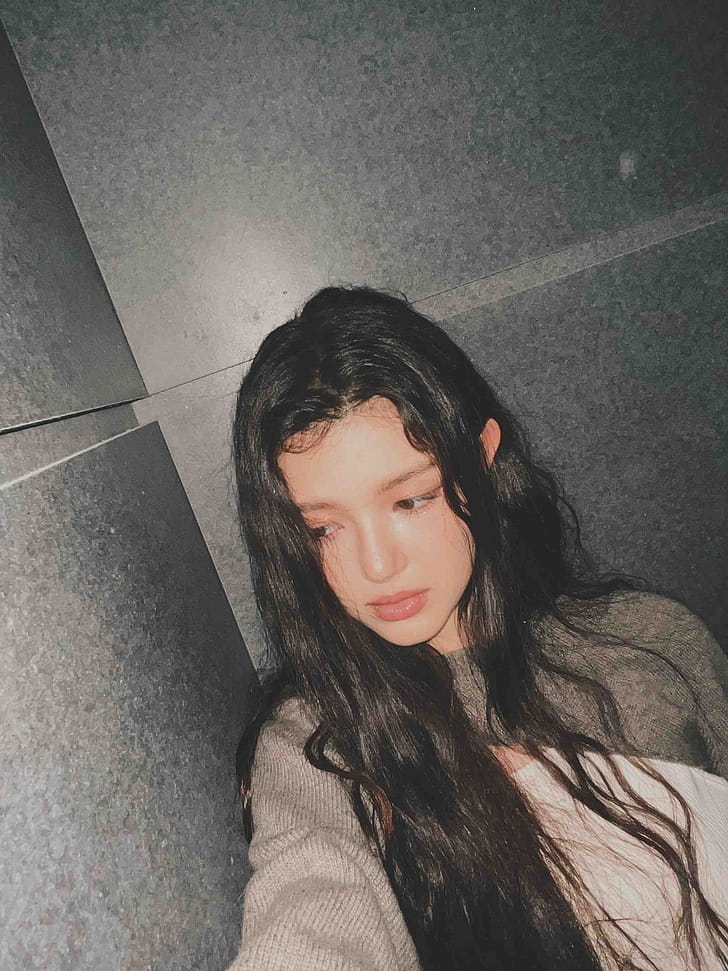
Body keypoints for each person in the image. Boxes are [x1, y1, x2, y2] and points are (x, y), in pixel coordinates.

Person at [228, 285, 728, 971]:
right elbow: (313, 903)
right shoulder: (319, 742)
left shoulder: (651, 641)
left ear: (483, 457)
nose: (377, 565)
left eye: (411, 499)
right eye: (323, 528)